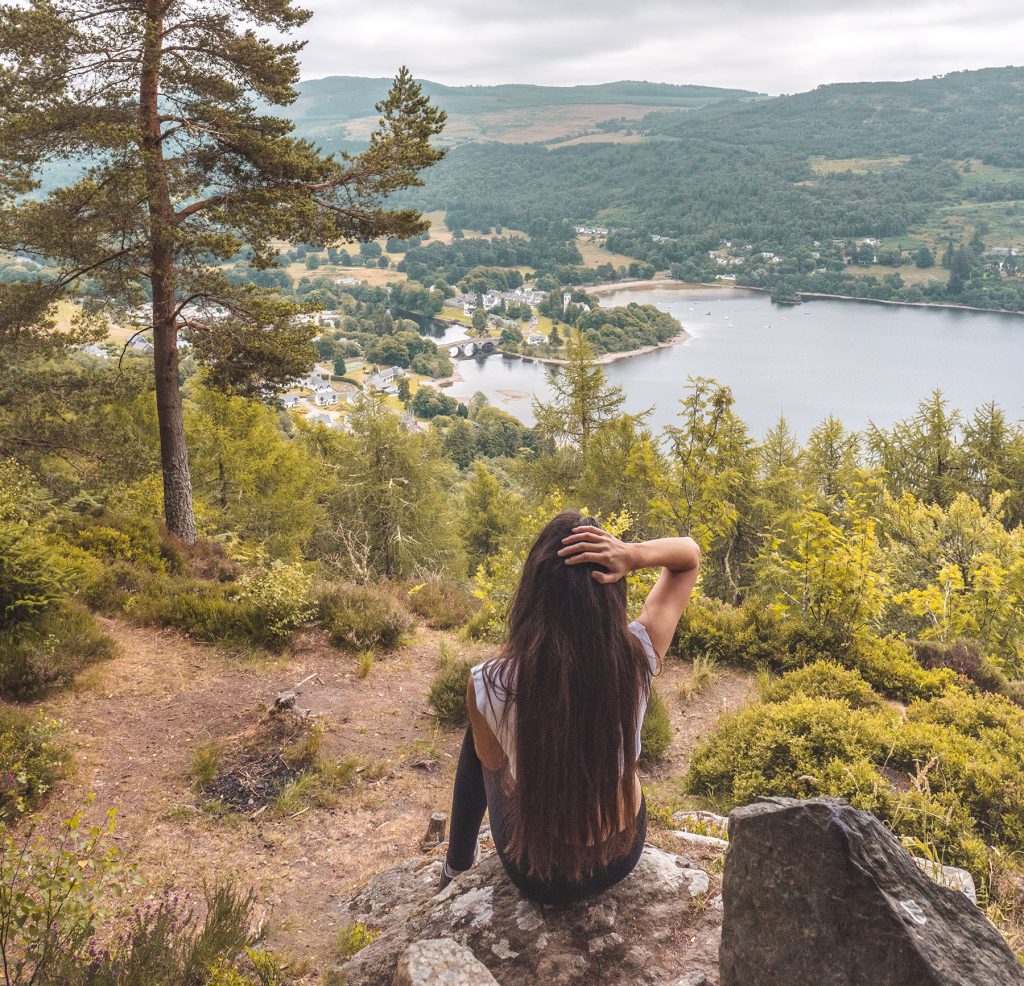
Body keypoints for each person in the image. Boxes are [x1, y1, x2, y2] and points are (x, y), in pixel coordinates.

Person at [441, 509, 701, 905]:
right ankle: (457, 863)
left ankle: (456, 864)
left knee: (481, 719)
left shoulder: (492, 680)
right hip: (619, 854)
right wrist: (631, 553)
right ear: (612, 592)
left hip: (535, 871)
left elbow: (494, 767)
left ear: (533, 592)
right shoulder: (639, 654)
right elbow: (688, 557)